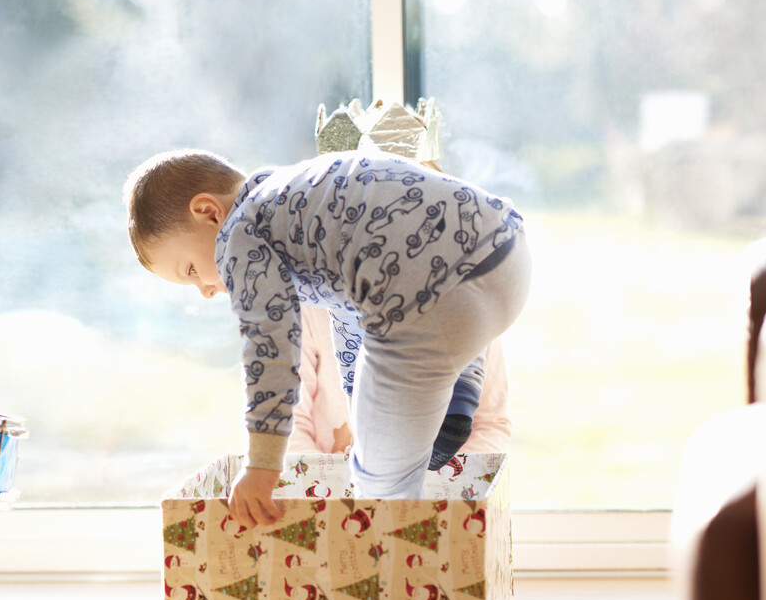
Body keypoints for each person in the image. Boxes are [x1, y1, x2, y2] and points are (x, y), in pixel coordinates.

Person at [123, 148, 531, 528]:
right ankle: (459, 392)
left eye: (192, 270)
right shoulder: (298, 196)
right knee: (392, 341)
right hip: (503, 252)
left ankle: (394, 586)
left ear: (209, 212)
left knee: (379, 481)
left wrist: (261, 467)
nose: (207, 290)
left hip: (431, 298)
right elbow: (354, 314)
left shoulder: (241, 236)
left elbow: (271, 352)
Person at [287, 306, 512, 459]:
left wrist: (444, 488)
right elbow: (289, 428)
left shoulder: (469, 303)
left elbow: (491, 425)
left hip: (443, 501)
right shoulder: (308, 308)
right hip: (336, 501)